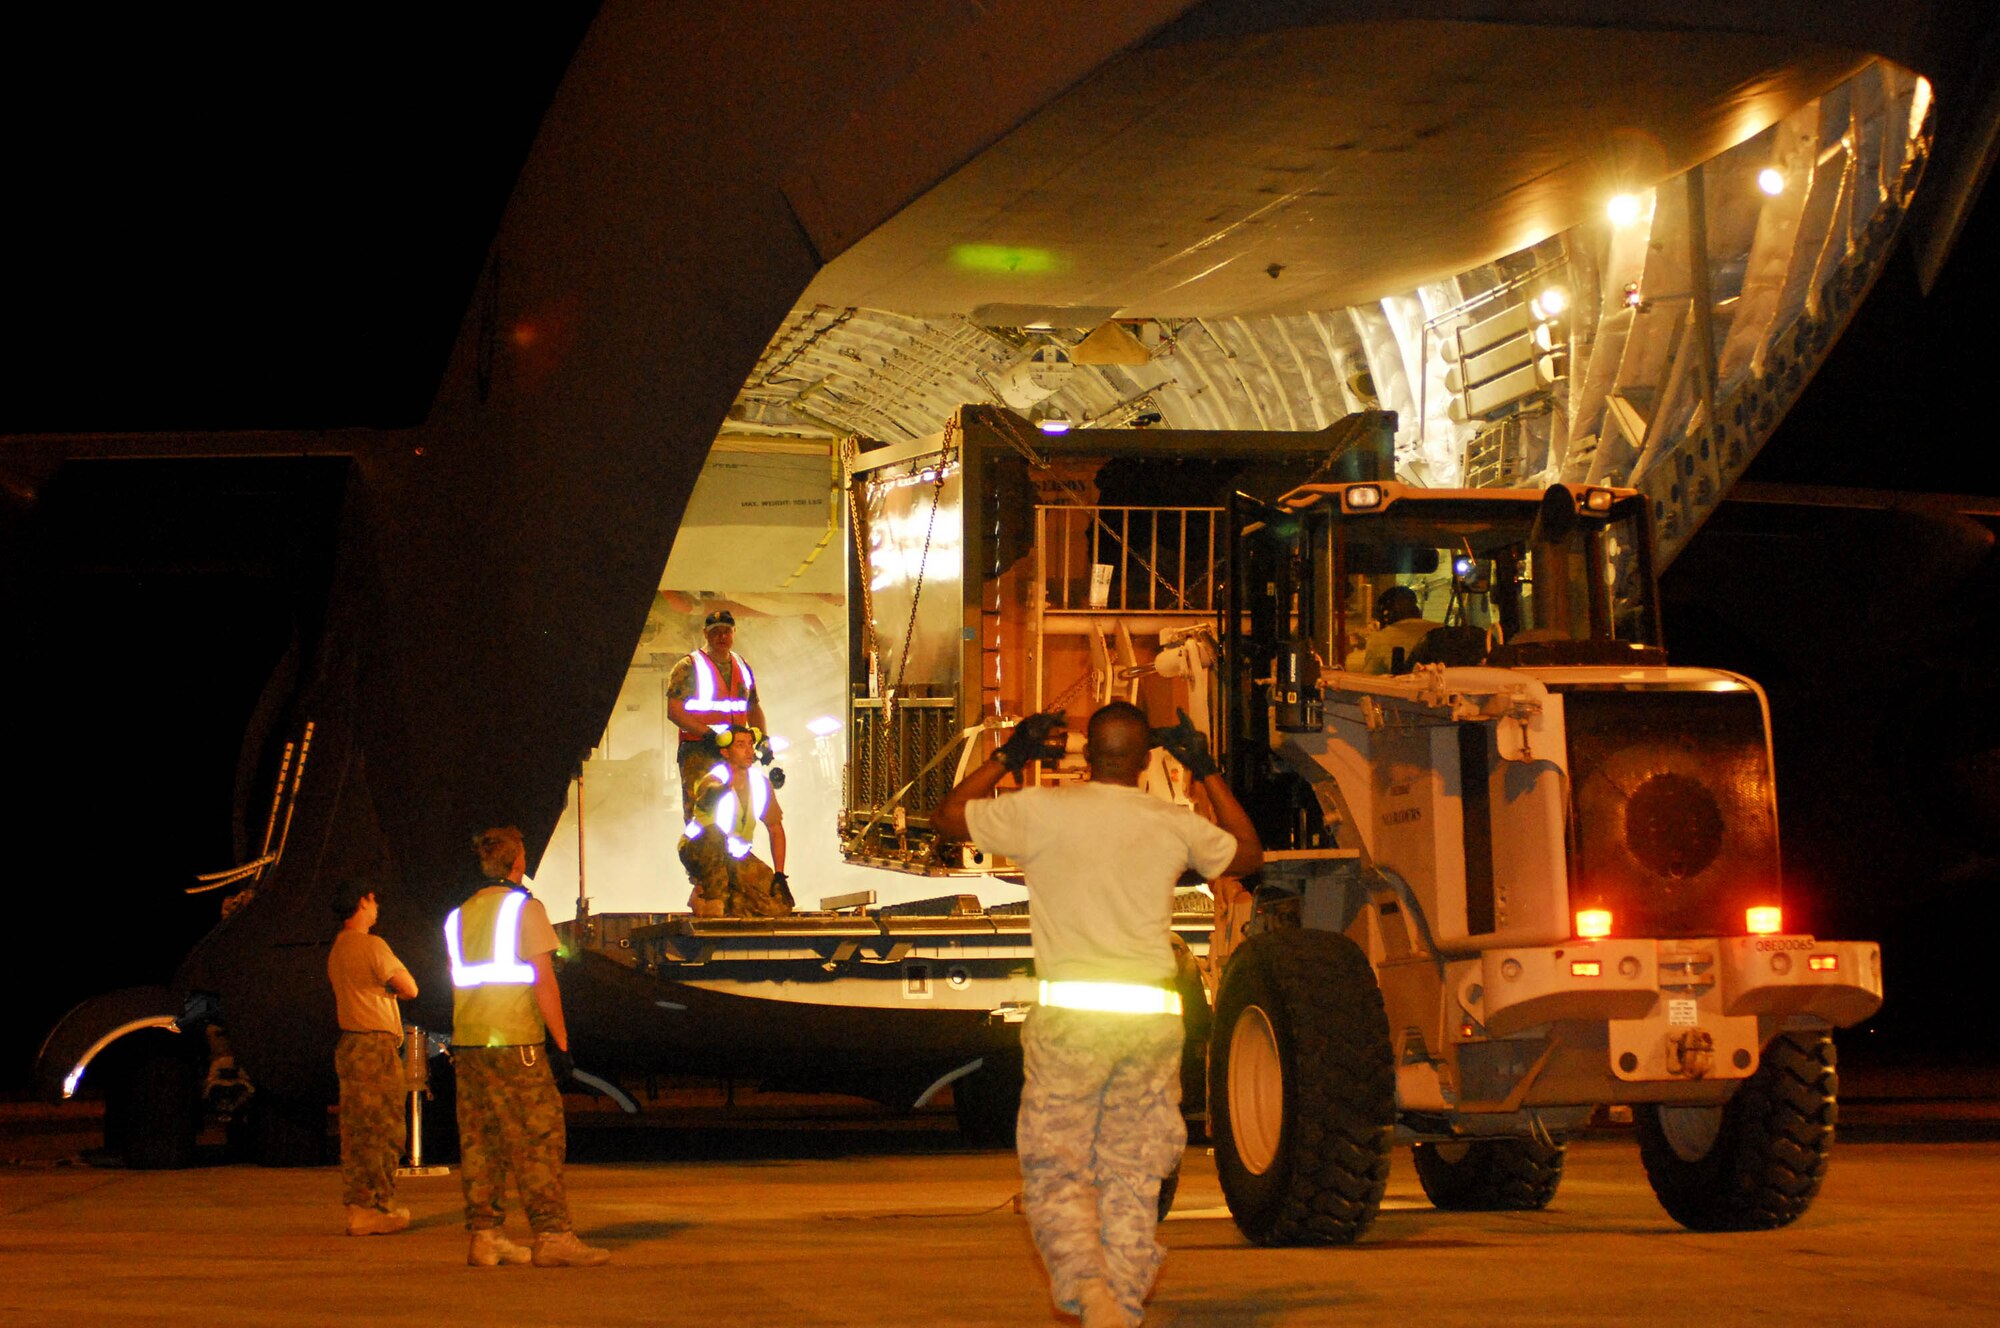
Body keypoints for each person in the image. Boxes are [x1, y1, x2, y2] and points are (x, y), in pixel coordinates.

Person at [935, 703, 1262, 1328]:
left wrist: (1011, 754)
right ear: (1146, 762)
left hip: (1073, 1023)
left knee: (1058, 1165)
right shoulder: (1171, 821)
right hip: (1148, 1023)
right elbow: (1248, 854)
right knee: (1134, 1171)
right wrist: (1206, 768)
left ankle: (1088, 1286)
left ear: (1087, 756)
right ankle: (1125, 1298)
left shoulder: (1040, 812)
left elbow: (946, 817)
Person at [446, 825, 610, 1268]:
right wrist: (560, 1042)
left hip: (469, 1042)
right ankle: (553, 1234)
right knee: (539, 1137)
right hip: (516, 1040)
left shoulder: (459, 914)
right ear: (518, 864)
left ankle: (485, 1234)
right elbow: (543, 980)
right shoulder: (523, 908)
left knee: (481, 1140)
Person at [327, 878, 418, 1236]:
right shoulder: (371, 945)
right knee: (382, 1129)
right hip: (375, 1046)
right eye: (373, 900)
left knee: (357, 1129)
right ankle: (373, 1206)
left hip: (351, 1044)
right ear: (361, 903)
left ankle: (359, 1203)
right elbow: (410, 987)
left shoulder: (338, 948)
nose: (377, 906)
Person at [678, 725, 793, 918]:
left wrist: (779, 874)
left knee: (777, 908)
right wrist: (722, 789)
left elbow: (775, 828)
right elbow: (707, 794)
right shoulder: (713, 779)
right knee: (715, 836)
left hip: (734, 855)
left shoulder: (760, 784)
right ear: (725, 751)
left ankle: (729, 903)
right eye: (740, 745)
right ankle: (707, 898)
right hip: (699, 849)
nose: (749, 751)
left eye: (750, 744)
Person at [665, 607, 769, 819]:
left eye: (726, 631)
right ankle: (699, 850)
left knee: (738, 809)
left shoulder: (743, 666)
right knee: (701, 809)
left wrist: (763, 739)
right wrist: (709, 735)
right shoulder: (688, 666)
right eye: (715, 631)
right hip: (699, 749)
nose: (721, 636)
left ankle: (735, 850)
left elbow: (753, 707)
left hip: (735, 751)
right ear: (705, 634)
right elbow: (674, 711)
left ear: (733, 632)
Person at [1359, 583, 1440, 674]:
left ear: (1387, 615)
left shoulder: (1380, 639)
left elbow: (1370, 680)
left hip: (1408, 687)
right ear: (1417, 610)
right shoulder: (1442, 629)